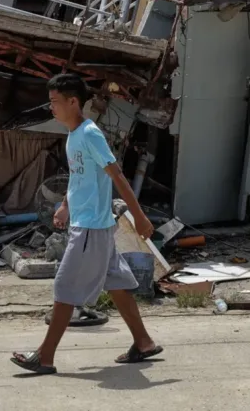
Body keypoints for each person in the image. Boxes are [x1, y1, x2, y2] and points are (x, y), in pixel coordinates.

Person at [10, 73, 162, 375]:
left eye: (55, 102)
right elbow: (80, 179)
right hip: (93, 224)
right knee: (117, 284)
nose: (51, 107)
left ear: (73, 101)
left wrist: (140, 217)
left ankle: (45, 355)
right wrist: (66, 205)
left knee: (65, 286)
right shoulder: (73, 135)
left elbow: (116, 175)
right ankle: (143, 342)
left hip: (91, 227)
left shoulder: (90, 134)